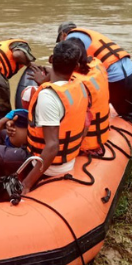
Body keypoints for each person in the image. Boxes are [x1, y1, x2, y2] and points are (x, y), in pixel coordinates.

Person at [57, 22, 132, 136]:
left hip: (120, 79)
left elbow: (72, 66)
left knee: (128, 113)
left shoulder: (72, 39)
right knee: (128, 111)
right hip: (131, 72)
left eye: (60, 41)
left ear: (63, 35)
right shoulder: (85, 35)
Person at [21, 41, 89, 195]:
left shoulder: (48, 96)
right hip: (68, 159)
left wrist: (26, 184)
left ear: (51, 59)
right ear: (76, 67)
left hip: (49, 166)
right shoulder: (80, 87)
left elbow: (52, 147)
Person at [65, 38, 111, 155]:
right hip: (100, 133)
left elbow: (84, 120)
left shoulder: (77, 84)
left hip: (86, 142)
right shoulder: (97, 66)